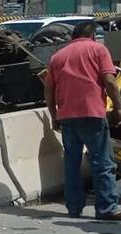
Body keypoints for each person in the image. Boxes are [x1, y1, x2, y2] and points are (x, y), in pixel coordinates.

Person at [45, 21, 121, 220]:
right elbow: (110, 80)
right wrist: (118, 107)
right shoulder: (98, 50)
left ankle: (74, 208)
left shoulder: (57, 57)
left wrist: (54, 116)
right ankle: (107, 208)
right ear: (93, 36)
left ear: (72, 37)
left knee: (72, 162)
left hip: (67, 116)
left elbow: (49, 92)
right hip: (92, 114)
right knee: (102, 161)